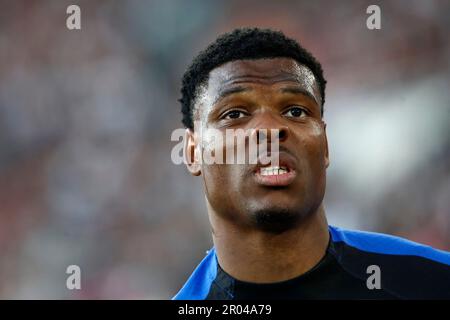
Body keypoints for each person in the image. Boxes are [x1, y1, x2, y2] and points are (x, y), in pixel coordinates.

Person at [173, 28, 450, 299]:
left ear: (325, 146)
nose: (271, 129)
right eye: (234, 113)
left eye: (295, 111)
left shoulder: (433, 282)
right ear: (194, 152)